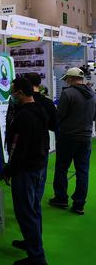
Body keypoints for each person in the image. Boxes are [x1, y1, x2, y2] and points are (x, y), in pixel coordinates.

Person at [3, 78, 49, 265]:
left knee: (25, 212)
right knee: (33, 209)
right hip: (38, 166)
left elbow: (17, 147)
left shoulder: (23, 116)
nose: (12, 95)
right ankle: (32, 244)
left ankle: (37, 257)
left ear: (20, 92)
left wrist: (9, 169)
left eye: (13, 91)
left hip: (25, 170)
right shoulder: (40, 110)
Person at [50, 67, 96, 215]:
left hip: (68, 137)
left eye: (67, 79)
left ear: (70, 79)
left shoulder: (68, 93)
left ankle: (61, 198)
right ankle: (79, 204)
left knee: (61, 168)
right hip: (86, 137)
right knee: (82, 171)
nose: (66, 82)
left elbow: (59, 115)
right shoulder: (93, 94)